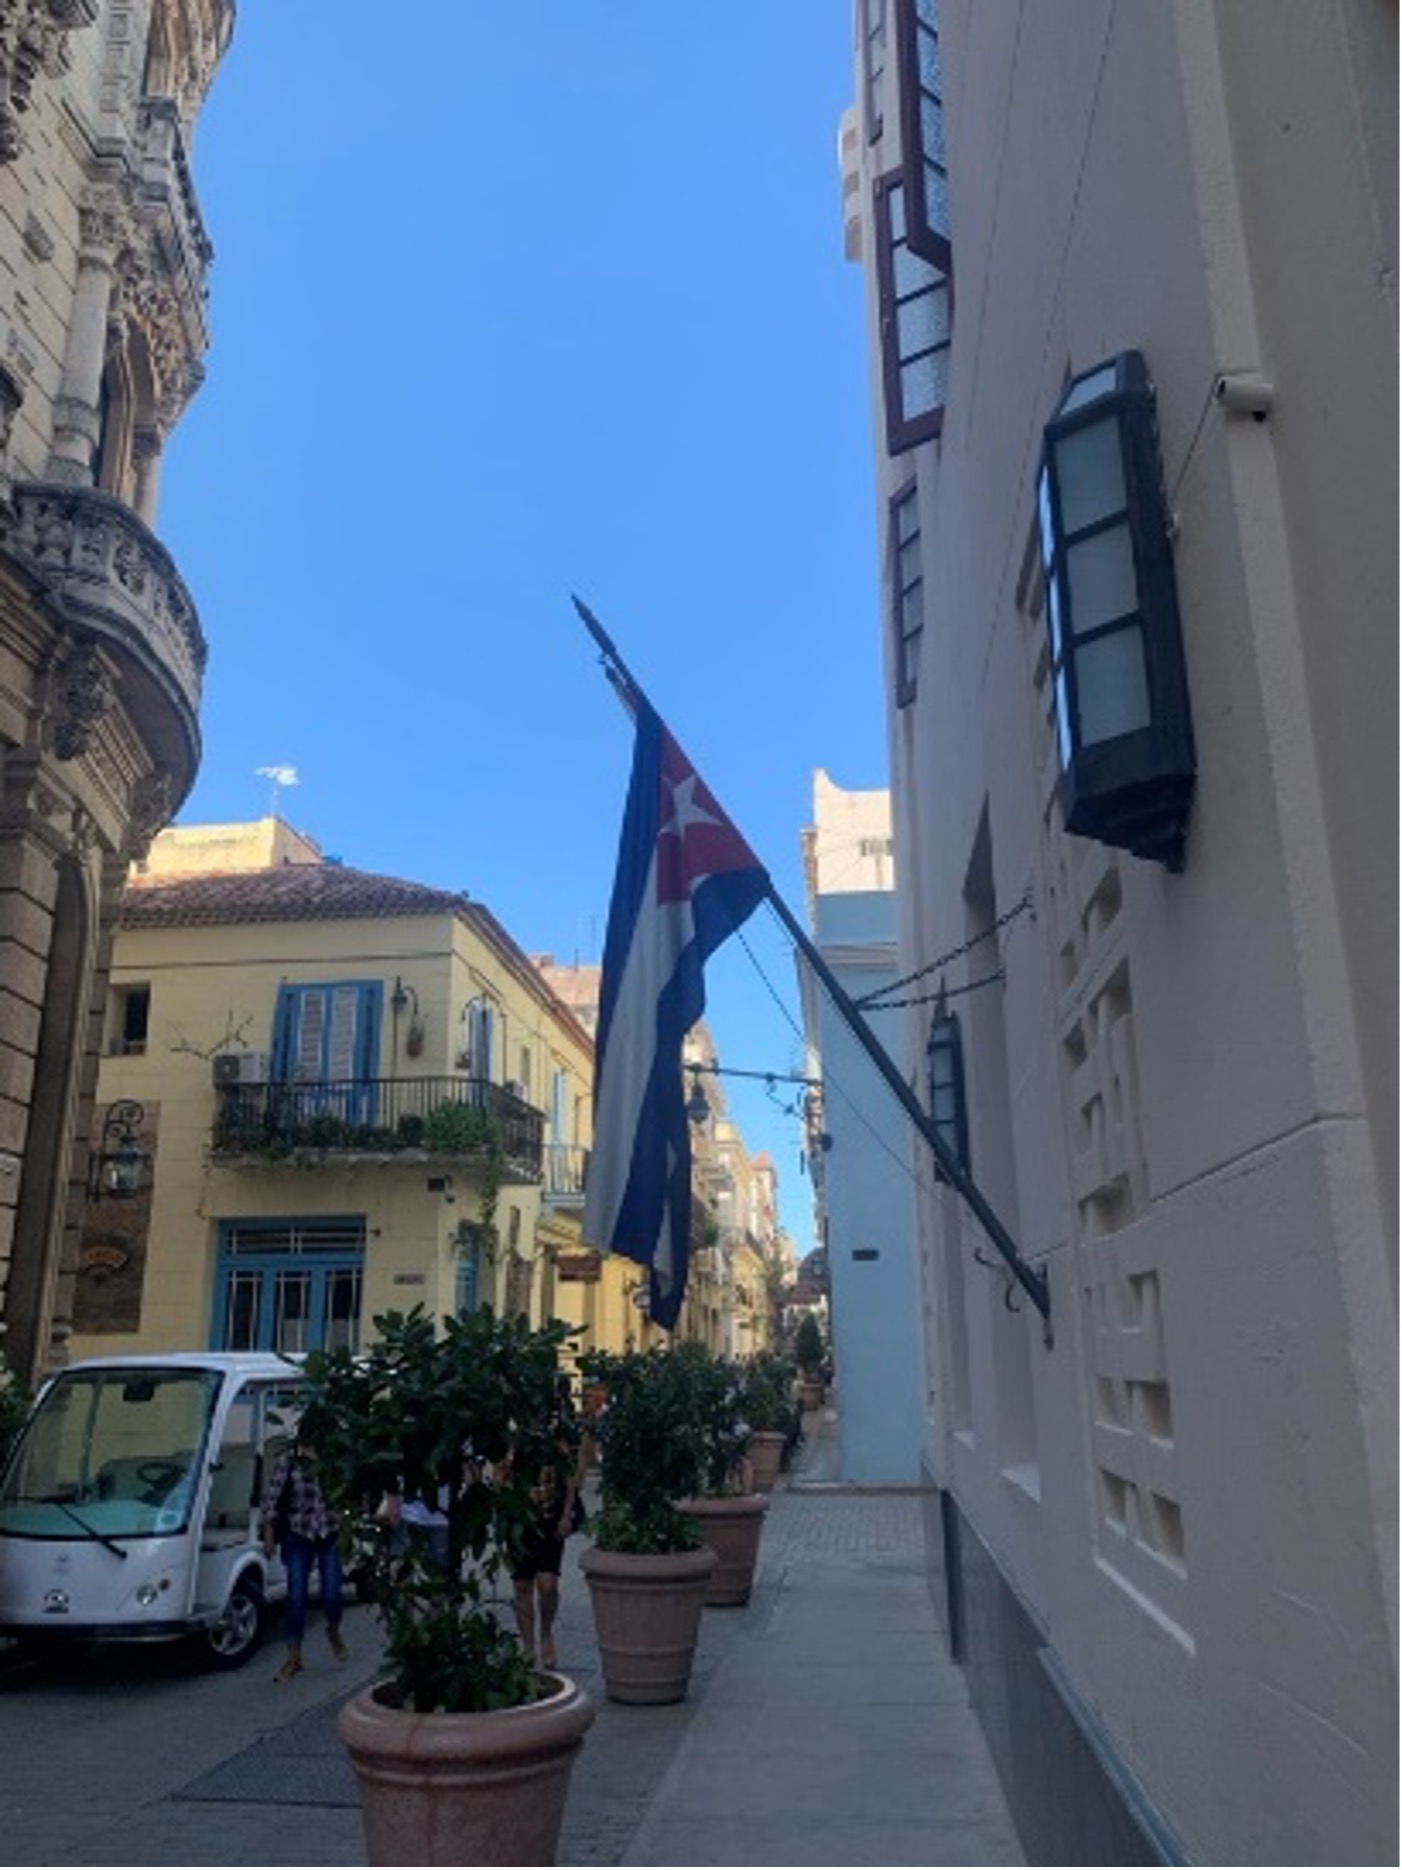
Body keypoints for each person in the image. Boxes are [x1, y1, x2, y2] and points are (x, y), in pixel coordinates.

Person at [260, 1435, 347, 1682]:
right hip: (298, 1533)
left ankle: (333, 1629)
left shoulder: (334, 1461)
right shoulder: (288, 1462)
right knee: (296, 1596)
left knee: (332, 1593)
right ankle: (294, 1656)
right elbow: (272, 1500)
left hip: (329, 1532)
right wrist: (269, 1535)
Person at [510, 1384, 584, 1672]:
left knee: (547, 1584)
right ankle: (528, 1647)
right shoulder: (513, 1438)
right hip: (519, 1519)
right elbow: (500, 1474)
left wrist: (567, 1513)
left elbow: (569, 1478)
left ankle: (546, 1632)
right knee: (521, 1585)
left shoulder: (557, 1438)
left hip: (549, 1517)